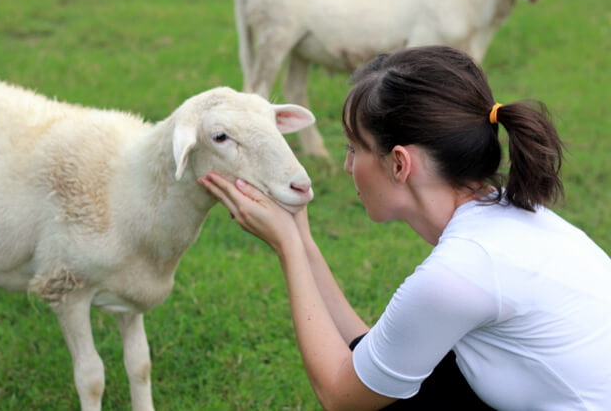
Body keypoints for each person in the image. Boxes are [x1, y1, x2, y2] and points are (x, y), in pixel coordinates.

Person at [197, 46, 611, 410]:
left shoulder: (459, 272)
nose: (346, 166)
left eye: (353, 148)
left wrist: (288, 248)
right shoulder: (511, 221)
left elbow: (342, 398)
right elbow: (371, 361)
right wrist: (302, 238)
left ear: (399, 163)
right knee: (407, 382)